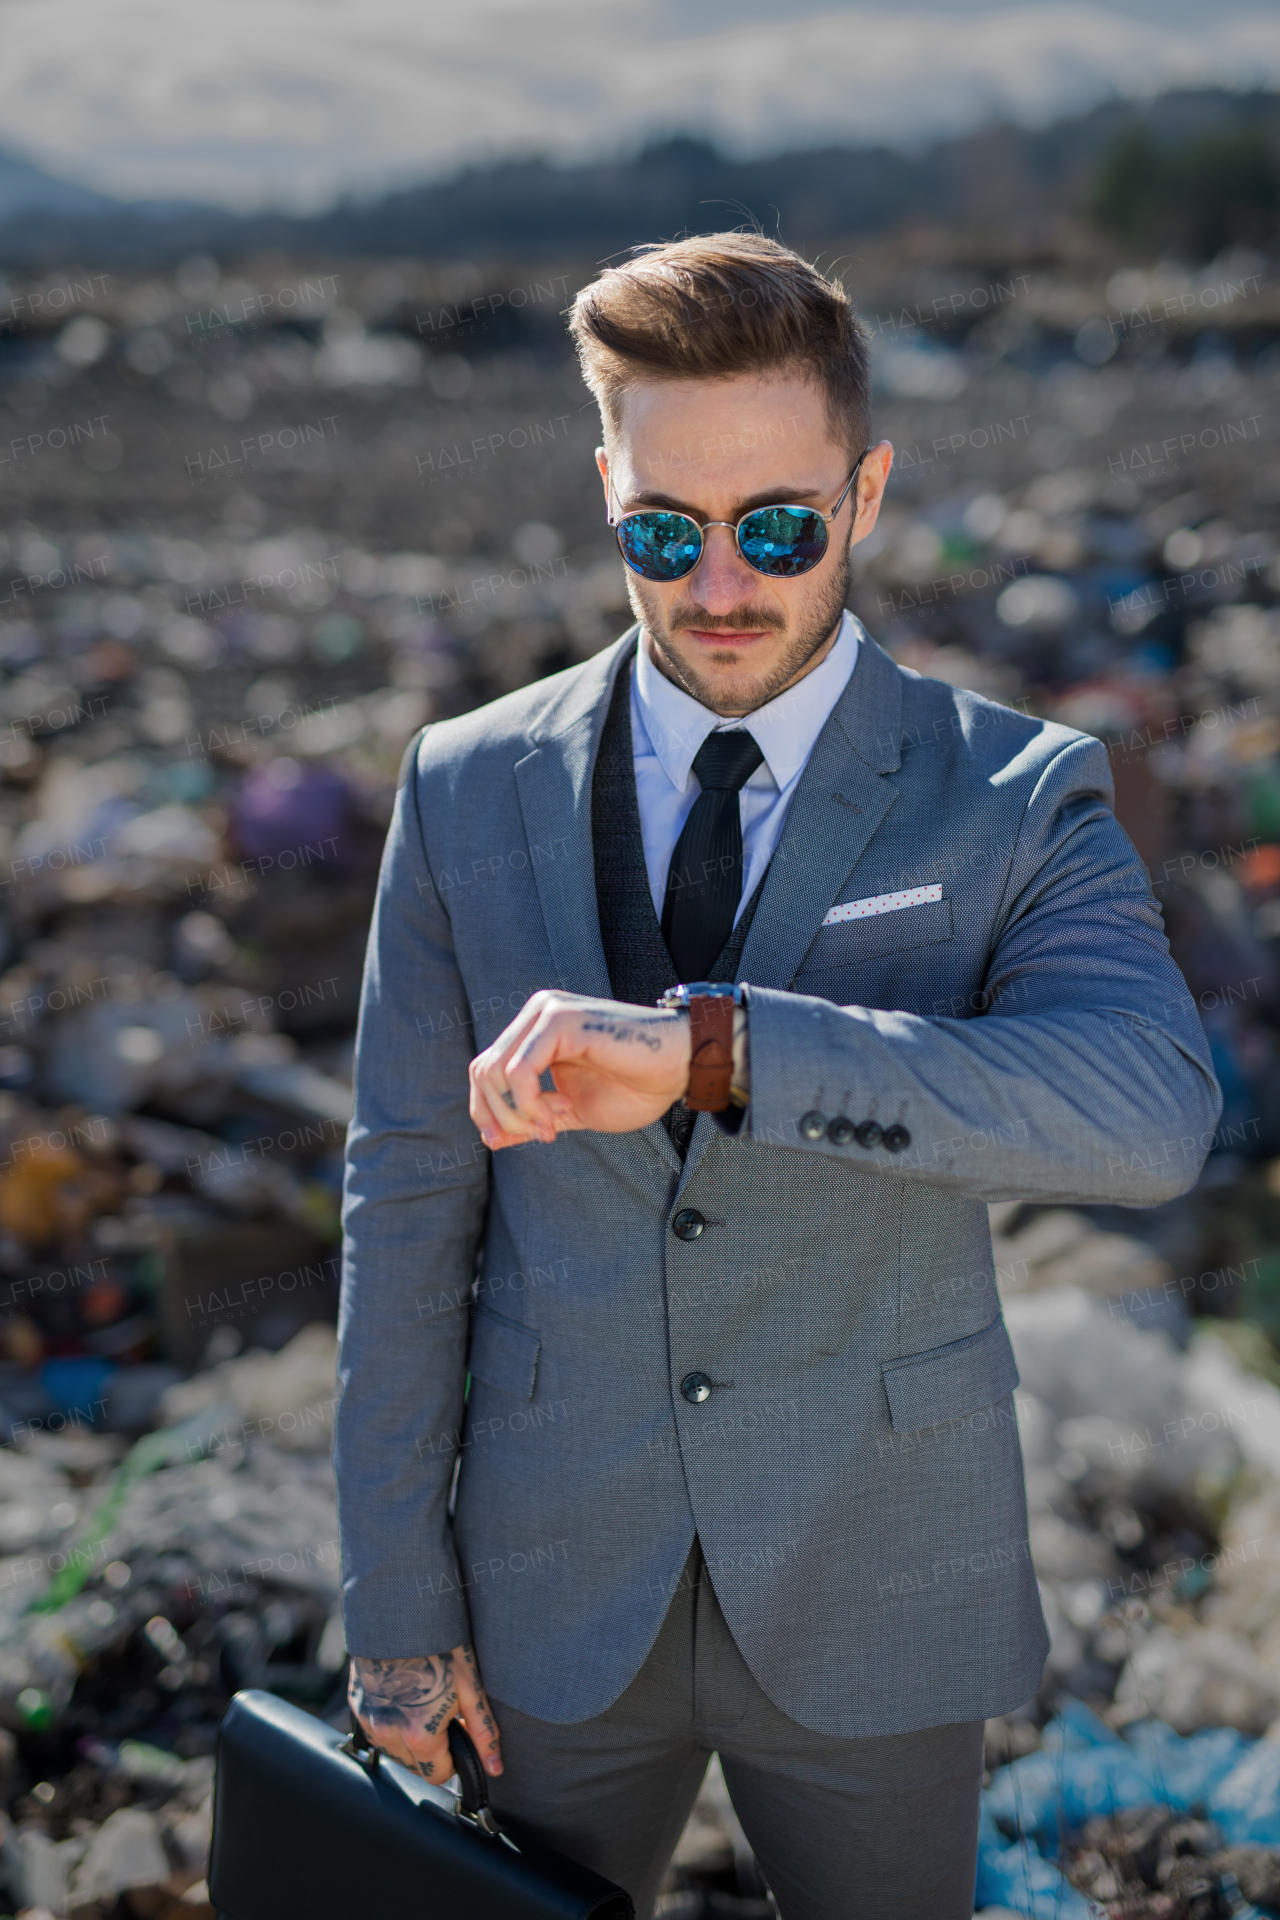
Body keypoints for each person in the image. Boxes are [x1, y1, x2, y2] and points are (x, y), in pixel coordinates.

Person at [335, 232, 1220, 1918]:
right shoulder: (462, 787)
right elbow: (403, 1196)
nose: (722, 583)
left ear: (868, 491)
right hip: (544, 1595)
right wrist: (392, 1598)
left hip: (877, 1575)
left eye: (780, 526)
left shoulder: (1013, 793)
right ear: (606, 489)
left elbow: (1149, 1110)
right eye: (664, 530)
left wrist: (723, 1054)